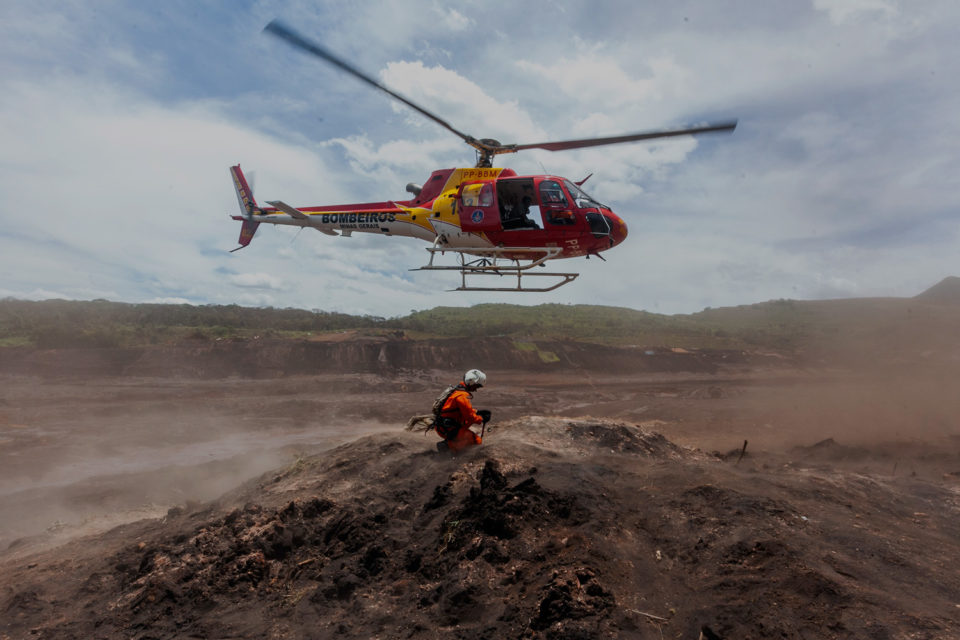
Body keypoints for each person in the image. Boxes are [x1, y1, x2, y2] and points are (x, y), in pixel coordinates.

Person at [435, 369, 490, 455]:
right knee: (477, 441)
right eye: (477, 386)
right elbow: (469, 417)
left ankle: (451, 445)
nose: (476, 389)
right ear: (471, 382)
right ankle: (449, 448)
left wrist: (478, 412)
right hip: (449, 428)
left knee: (466, 432)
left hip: (444, 426)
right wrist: (481, 419)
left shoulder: (456, 391)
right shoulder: (461, 396)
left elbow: (463, 410)